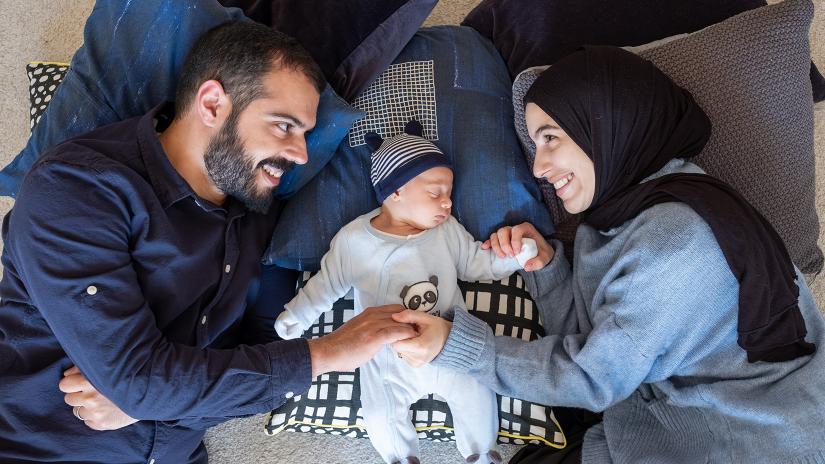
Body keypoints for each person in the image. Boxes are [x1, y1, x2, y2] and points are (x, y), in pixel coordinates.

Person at [0, 21, 416, 464]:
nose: (300, 154)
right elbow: (153, 380)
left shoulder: (261, 216)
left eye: (304, 134)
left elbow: (260, 360)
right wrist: (330, 352)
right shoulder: (77, 189)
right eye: (283, 126)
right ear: (213, 103)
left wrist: (156, 399)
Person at [391, 46, 825, 463]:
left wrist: (457, 345)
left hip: (750, 440)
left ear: (606, 126)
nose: (538, 167)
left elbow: (593, 379)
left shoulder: (671, 245)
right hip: (674, 417)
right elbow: (601, 342)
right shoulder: (644, 204)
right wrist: (548, 268)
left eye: (550, 138)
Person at [273, 120, 545, 464]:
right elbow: (326, 284)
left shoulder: (446, 231)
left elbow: (478, 264)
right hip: (387, 357)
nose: (447, 203)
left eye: (448, 192)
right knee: (378, 412)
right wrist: (296, 316)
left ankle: (481, 453)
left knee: (476, 390)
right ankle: (401, 457)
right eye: (435, 193)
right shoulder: (354, 241)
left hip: (450, 341)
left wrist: (516, 257)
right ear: (394, 192)